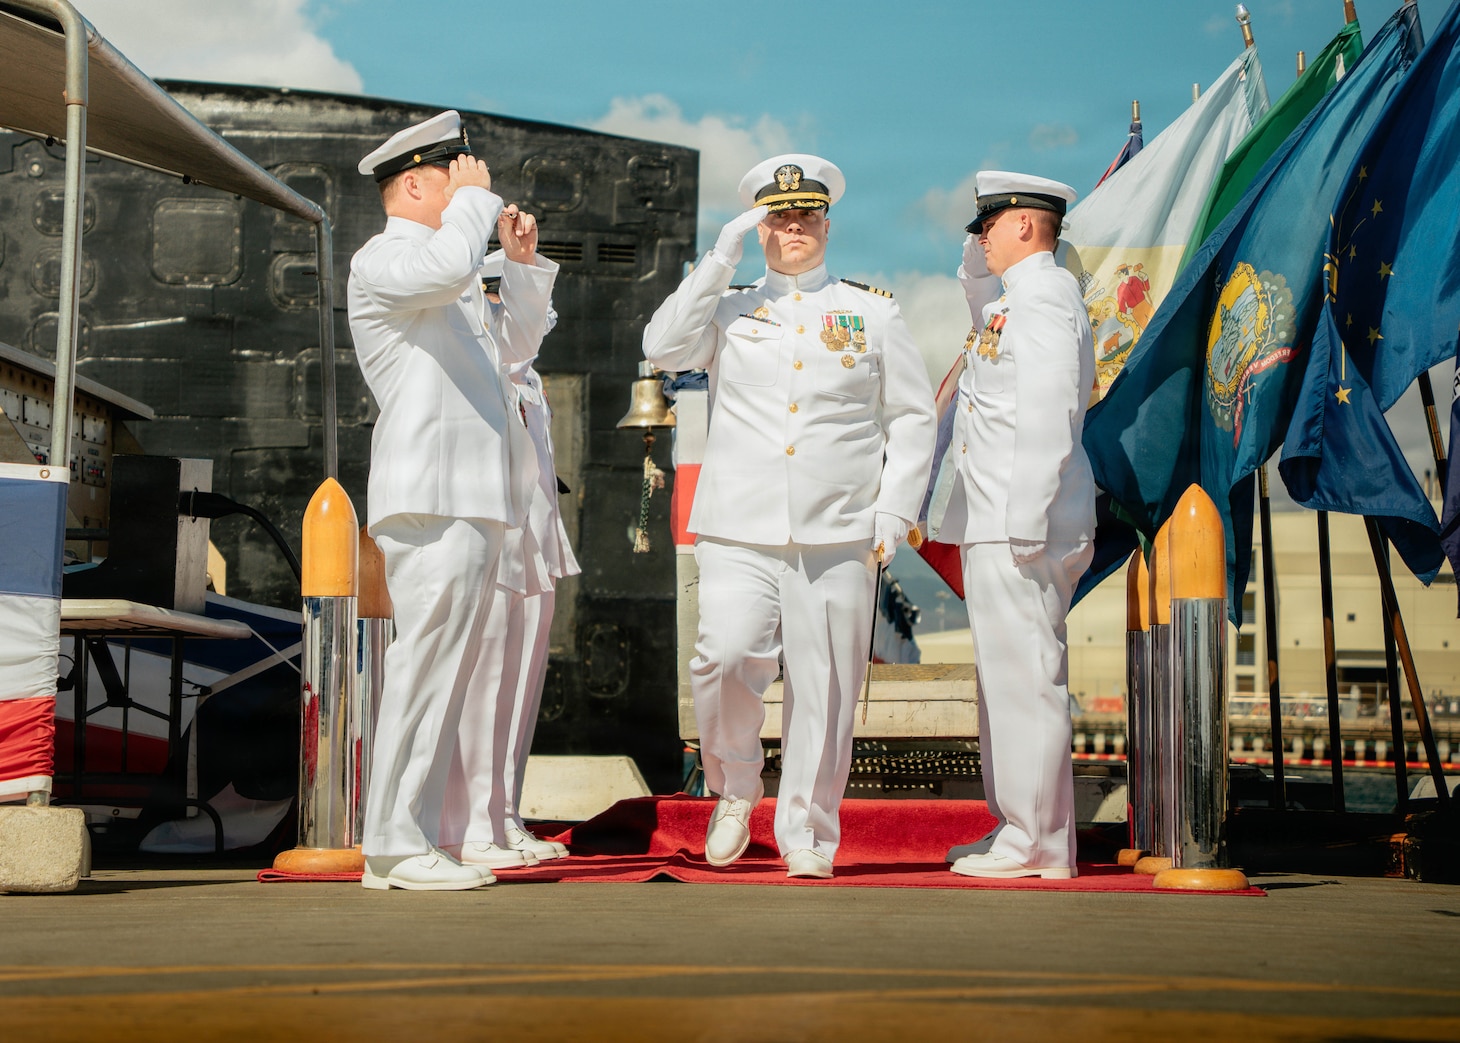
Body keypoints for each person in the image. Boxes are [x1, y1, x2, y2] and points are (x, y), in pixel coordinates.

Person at [643, 154, 936, 879]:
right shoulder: (728, 308)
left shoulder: (873, 312)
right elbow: (660, 345)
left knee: (827, 684)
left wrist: (894, 510)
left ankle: (808, 829)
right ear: (760, 227)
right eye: (778, 216)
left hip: (839, 527)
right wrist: (718, 259)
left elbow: (912, 416)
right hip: (740, 525)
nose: (793, 226)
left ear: (827, 223)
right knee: (724, 656)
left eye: (806, 214)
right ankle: (735, 788)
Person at [349, 110, 558, 891]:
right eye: (455, 173)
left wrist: (522, 266)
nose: (473, 184)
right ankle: (393, 843)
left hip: (470, 497)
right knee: (423, 666)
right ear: (412, 182)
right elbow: (440, 272)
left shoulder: (455, 271)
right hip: (430, 493)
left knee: (444, 670)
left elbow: (516, 352)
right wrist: (475, 206)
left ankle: (416, 836)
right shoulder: (386, 259)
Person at [939, 171, 1096, 880]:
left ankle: (1038, 841)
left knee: (1028, 678)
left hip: (1020, 518)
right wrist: (978, 262)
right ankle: (1020, 828)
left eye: (990, 225)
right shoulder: (1018, 299)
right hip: (998, 518)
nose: (981, 237)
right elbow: (982, 310)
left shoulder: (1048, 298)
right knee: (1005, 681)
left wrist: (1028, 512)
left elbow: (1050, 408)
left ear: (1025, 225)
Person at [439, 252, 578, 866]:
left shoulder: (528, 377)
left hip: (532, 545)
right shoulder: (479, 365)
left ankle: (501, 816)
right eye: (506, 299)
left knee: (518, 691)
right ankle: (468, 827)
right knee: (481, 687)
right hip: (490, 542)